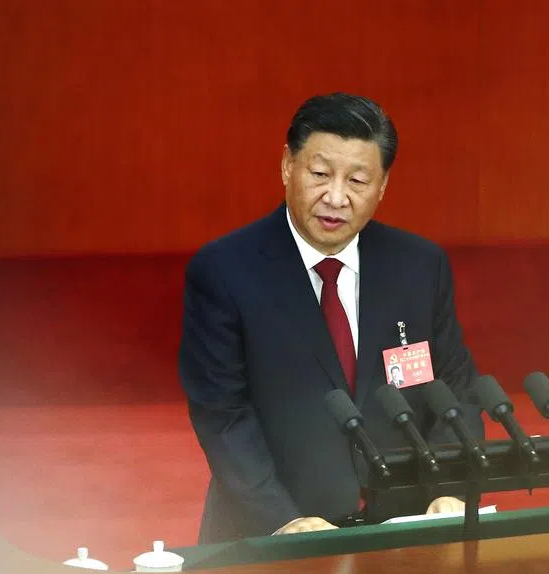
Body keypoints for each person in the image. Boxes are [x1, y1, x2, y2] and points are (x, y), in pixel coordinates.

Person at [179, 93, 482, 543]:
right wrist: (283, 520)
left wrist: (450, 488)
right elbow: (223, 418)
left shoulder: (419, 267)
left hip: (401, 536)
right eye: (320, 174)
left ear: (382, 186)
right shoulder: (225, 271)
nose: (336, 197)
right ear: (287, 166)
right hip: (273, 535)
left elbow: (453, 389)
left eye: (358, 180)